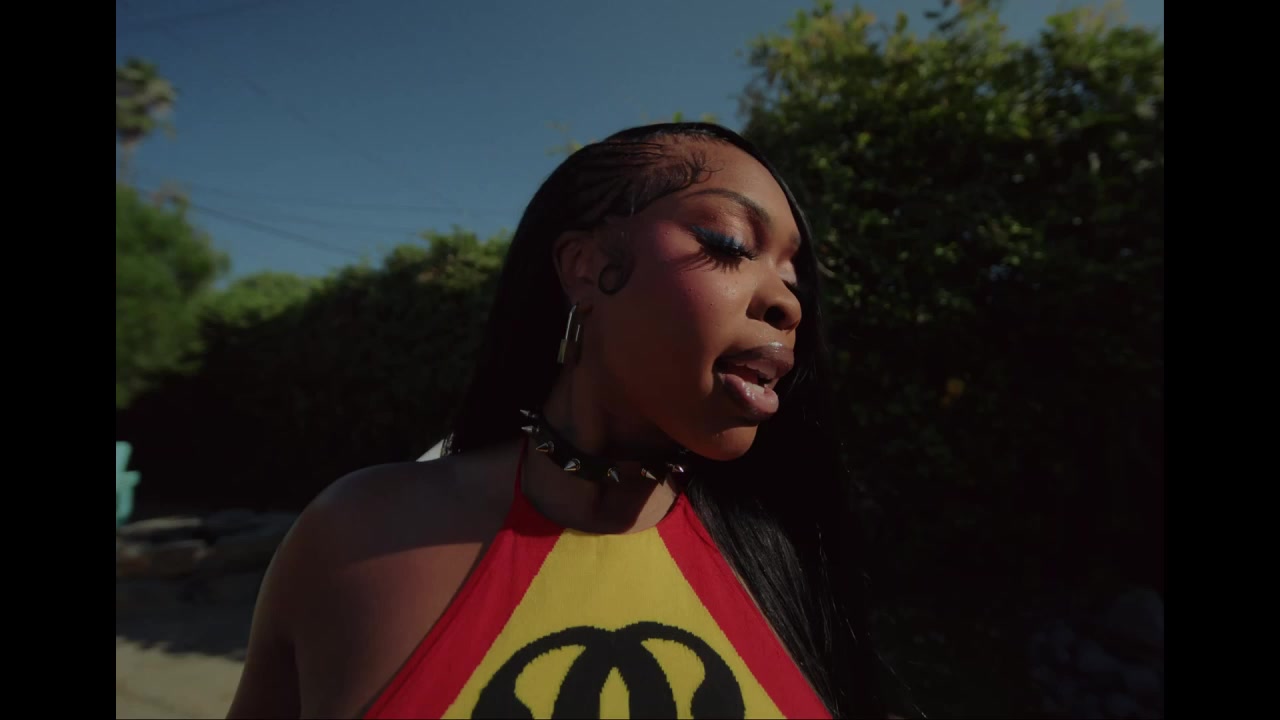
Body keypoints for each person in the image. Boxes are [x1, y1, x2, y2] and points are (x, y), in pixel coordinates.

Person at [228, 122, 890, 719]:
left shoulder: (788, 568)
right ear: (584, 267)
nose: (787, 302)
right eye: (730, 243)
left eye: (795, 277)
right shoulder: (359, 536)